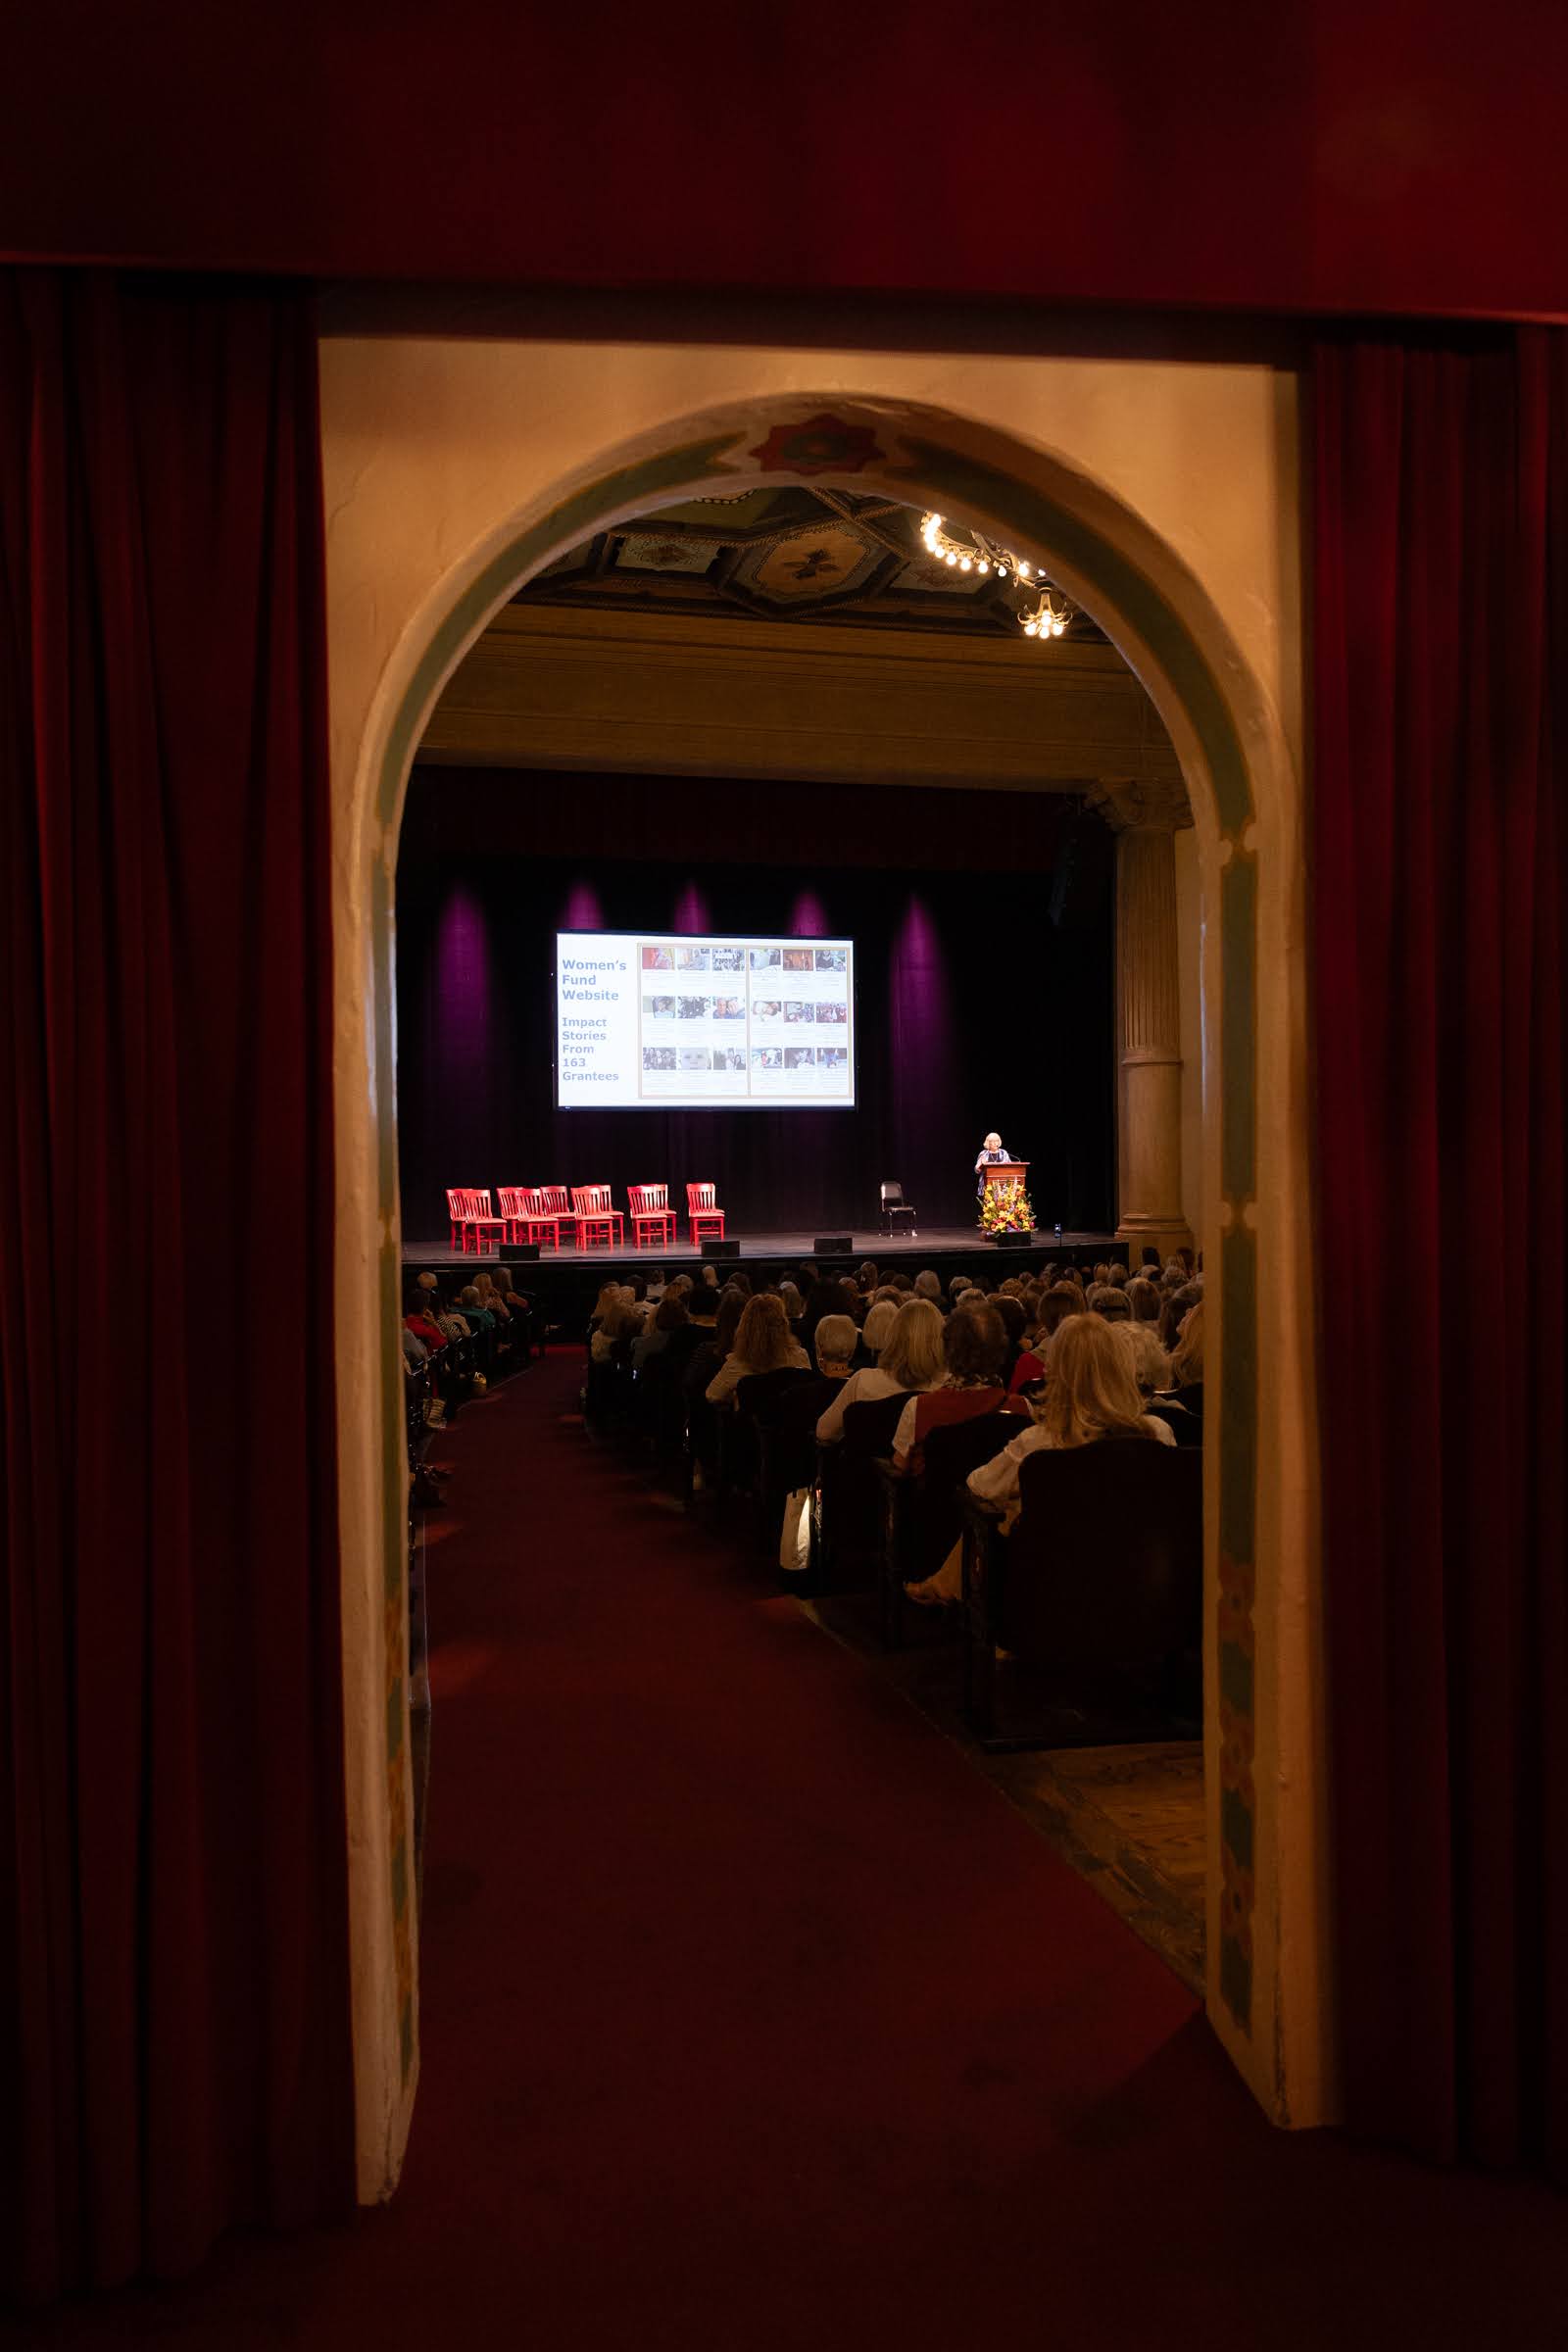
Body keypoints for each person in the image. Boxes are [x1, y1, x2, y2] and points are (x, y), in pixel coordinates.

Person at [904, 1313, 1176, 1602]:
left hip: (1053, 1584)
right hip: (1139, 1577)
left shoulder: (1038, 1443)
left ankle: (943, 1587)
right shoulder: (1159, 1433)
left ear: (1056, 1373)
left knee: (1011, 1511)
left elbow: (979, 1487)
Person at [891, 1303, 1012, 1474]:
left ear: (947, 1349)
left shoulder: (919, 1408)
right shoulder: (1022, 1408)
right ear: (1001, 1348)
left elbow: (899, 1468)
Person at [815, 1296, 946, 1441]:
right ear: (940, 1340)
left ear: (893, 1335)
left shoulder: (862, 1381)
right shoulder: (951, 1389)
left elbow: (823, 1432)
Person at [705, 1292, 809, 1405]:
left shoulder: (737, 1365)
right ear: (783, 1324)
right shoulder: (800, 1357)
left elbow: (712, 1396)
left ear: (745, 1326)